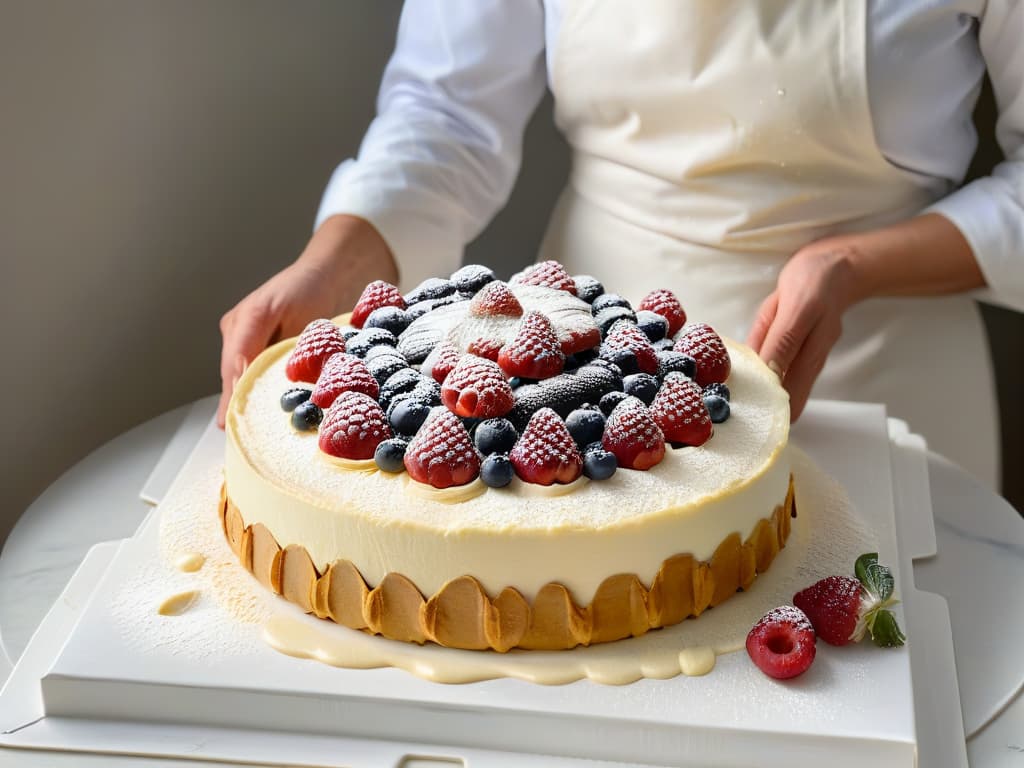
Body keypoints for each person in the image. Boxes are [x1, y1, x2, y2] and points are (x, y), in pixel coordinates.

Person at [218, 1, 1023, 489]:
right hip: (575, 394)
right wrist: (334, 263)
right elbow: (447, 116)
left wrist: (848, 265)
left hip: (883, 379)